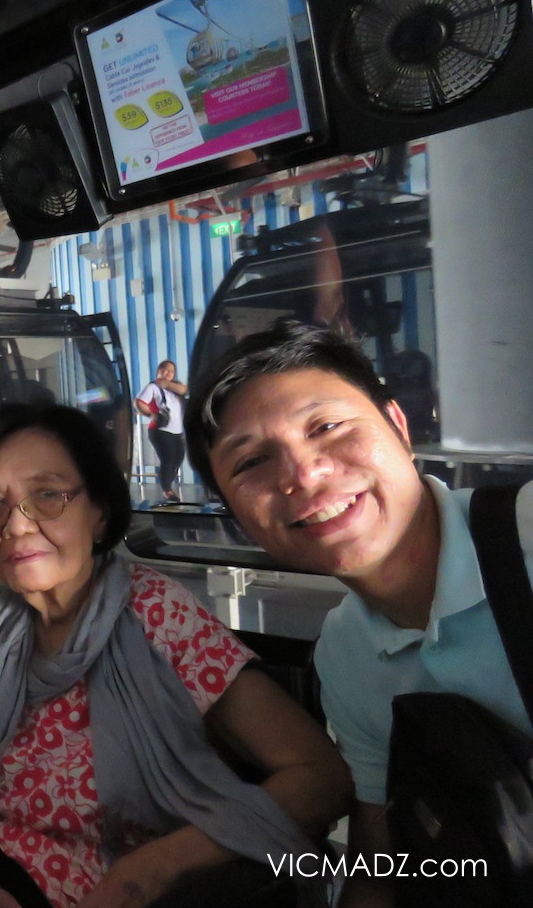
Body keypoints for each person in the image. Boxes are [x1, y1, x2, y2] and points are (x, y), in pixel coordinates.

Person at [0, 403, 350, 908]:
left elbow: (321, 780)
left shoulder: (155, 615)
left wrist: (153, 868)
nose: (16, 526)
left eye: (47, 496)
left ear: (99, 514)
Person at [183, 320, 533, 908]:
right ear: (234, 514)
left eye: (326, 427)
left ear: (398, 426)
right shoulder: (346, 651)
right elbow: (387, 867)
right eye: (252, 462)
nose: (304, 475)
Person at [135, 361, 186, 503]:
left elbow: (184, 390)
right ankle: (167, 491)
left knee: (178, 459)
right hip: (160, 430)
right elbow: (138, 402)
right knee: (168, 458)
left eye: (171, 371)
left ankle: (166, 481)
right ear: (158, 371)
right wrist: (152, 415)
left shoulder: (174, 388)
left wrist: (168, 384)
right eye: (164, 370)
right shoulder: (152, 387)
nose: (167, 373)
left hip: (177, 432)